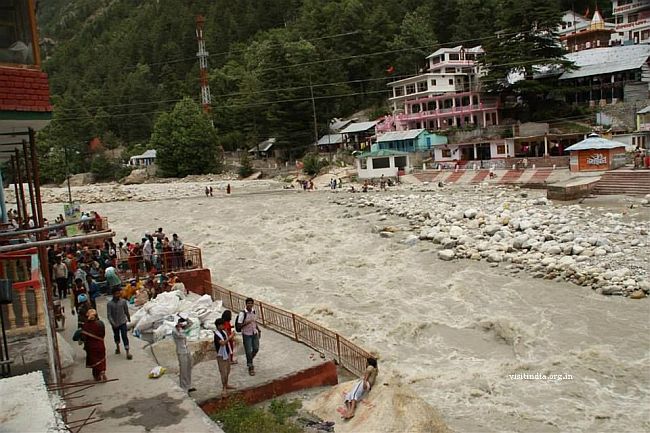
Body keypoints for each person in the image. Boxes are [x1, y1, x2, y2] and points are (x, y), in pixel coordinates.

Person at [236, 297, 261, 376]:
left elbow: (254, 322)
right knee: (248, 351)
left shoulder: (254, 311)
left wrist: (258, 330)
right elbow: (239, 325)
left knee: (256, 348)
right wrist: (247, 322)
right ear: (246, 304)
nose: (250, 304)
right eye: (248, 303)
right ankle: (251, 367)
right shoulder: (242, 313)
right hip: (246, 334)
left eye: (251, 303)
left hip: (254, 333)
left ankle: (249, 360)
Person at [80, 309, 107, 382]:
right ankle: (102, 371)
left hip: (91, 346)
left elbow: (83, 338)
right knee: (102, 359)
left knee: (94, 361)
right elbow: (103, 334)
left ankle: (97, 377)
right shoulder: (101, 324)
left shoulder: (85, 326)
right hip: (100, 344)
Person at [173, 313, 196, 393]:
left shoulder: (182, 328)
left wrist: (185, 318)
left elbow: (191, 323)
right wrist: (180, 327)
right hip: (181, 352)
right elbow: (181, 335)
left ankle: (188, 385)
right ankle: (183, 387)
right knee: (183, 370)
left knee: (188, 368)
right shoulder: (175, 331)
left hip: (187, 350)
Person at [107, 287, 132, 360]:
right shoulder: (110, 304)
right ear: (113, 294)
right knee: (116, 335)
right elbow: (109, 315)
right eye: (116, 294)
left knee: (124, 336)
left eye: (119, 293)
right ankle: (117, 347)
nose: (118, 295)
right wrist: (112, 323)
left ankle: (127, 351)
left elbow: (126, 310)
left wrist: (128, 317)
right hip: (115, 323)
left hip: (122, 322)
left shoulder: (123, 301)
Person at [213, 318, 236, 394]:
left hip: (227, 353)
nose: (223, 326)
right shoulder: (217, 335)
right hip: (221, 355)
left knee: (228, 371)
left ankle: (226, 384)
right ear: (219, 326)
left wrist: (231, 335)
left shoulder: (224, 332)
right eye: (222, 325)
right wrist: (230, 337)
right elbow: (222, 343)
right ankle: (224, 387)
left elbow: (229, 340)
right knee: (223, 372)